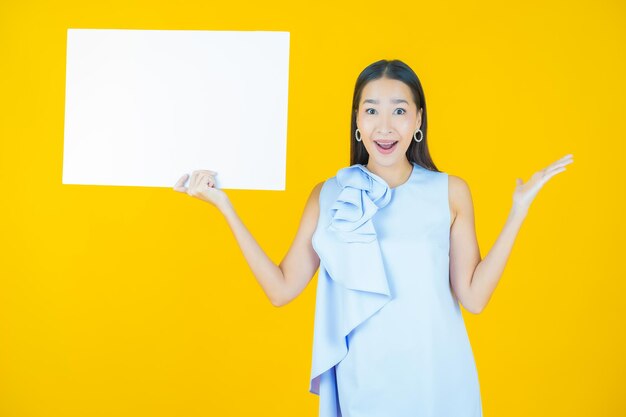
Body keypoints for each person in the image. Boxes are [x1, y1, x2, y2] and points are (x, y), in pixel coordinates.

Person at [173, 59, 574, 417]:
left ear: (418, 120)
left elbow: (473, 297)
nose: (385, 126)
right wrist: (225, 207)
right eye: (371, 111)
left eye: (400, 111)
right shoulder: (328, 194)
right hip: (364, 386)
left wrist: (518, 209)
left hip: (438, 382)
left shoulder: (450, 192)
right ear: (357, 120)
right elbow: (280, 289)